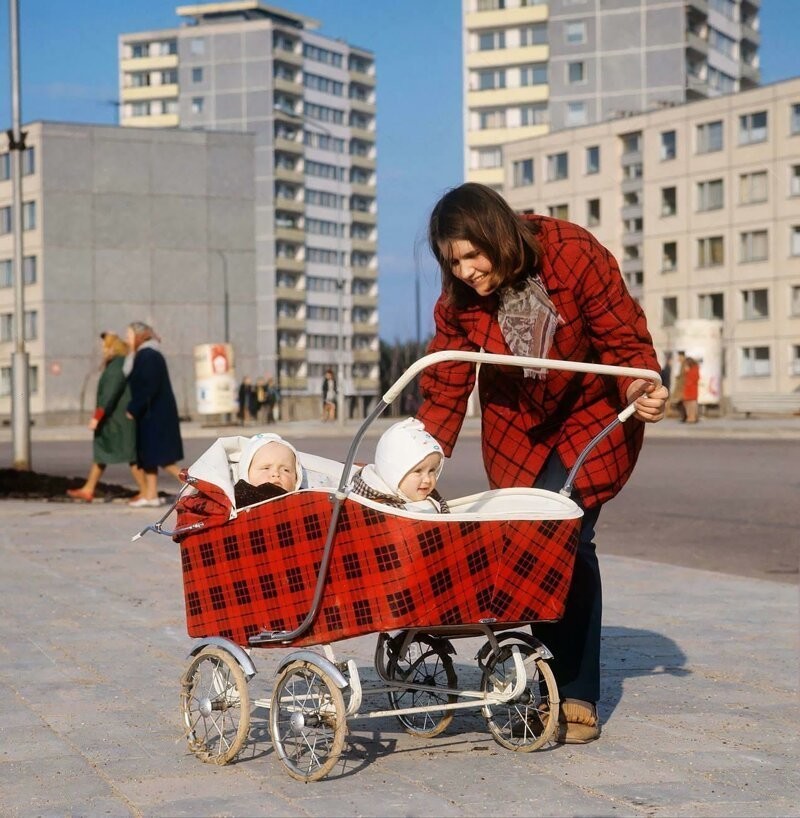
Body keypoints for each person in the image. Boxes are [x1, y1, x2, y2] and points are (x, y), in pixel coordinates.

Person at [415, 183, 669, 744]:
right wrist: (419, 454)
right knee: (525, 535)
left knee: (567, 531)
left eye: (473, 255)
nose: (466, 272)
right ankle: (536, 682)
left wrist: (642, 386)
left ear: (497, 235)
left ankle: (576, 692)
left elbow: (624, 340)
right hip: (515, 421)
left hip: (592, 408)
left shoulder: (573, 252)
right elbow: (448, 378)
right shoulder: (458, 300)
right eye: (453, 262)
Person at [66, 332, 147, 503]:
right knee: (102, 454)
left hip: (116, 420)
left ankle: (146, 491)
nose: (103, 350)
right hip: (116, 418)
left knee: (130, 456)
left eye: (106, 346)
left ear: (113, 347)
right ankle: (89, 488)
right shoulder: (120, 364)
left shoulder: (117, 366)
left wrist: (97, 416)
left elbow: (110, 393)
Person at [124, 321, 185, 508]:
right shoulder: (143, 355)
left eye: (129, 335)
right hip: (150, 415)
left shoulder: (149, 356)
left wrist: (134, 408)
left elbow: (148, 386)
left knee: (164, 460)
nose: (127, 339)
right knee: (150, 458)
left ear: (139, 336)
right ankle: (151, 495)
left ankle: (199, 487)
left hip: (156, 416)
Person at [350, 417, 449, 512]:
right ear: (393, 474)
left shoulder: (431, 497)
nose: (427, 479)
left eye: (432, 470)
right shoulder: (380, 509)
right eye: (418, 471)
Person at [233, 433, 303, 508]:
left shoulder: (305, 501)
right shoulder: (238, 499)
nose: (276, 474)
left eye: (286, 470)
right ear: (246, 473)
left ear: (296, 479)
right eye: (266, 468)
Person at [670, 351, 687, 422]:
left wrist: (679, 377)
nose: (678, 358)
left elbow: (684, 375)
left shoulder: (685, 364)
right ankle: (684, 417)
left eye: (679, 357)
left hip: (682, 387)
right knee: (679, 402)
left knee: (679, 402)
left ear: (682, 357)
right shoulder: (682, 364)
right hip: (680, 386)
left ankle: (684, 417)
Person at [682, 356, 700, 424]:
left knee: (692, 404)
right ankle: (689, 417)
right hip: (687, 389)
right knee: (687, 403)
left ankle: (692, 418)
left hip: (692, 389)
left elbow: (696, 378)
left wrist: (688, 372)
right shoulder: (688, 368)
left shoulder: (695, 368)